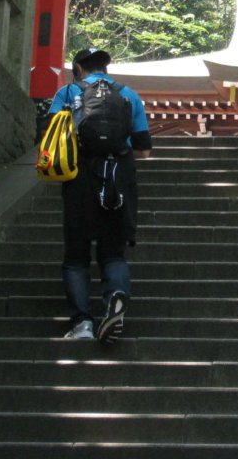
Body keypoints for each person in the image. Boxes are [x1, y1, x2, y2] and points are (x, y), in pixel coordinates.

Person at [48, 47, 152, 342]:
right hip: (119, 180)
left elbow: (51, 138)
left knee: (76, 257)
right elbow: (144, 149)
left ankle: (82, 324)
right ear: (106, 67)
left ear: (78, 67)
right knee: (113, 253)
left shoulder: (67, 93)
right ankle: (115, 296)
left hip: (79, 179)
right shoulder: (129, 95)